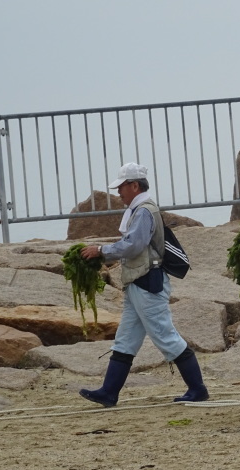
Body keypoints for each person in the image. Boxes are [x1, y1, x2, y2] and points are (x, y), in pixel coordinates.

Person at [77, 162, 209, 407]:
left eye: (122, 187)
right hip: (139, 283)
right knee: (126, 340)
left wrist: (101, 251)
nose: (119, 193)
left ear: (135, 185)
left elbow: (134, 246)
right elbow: (134, 245)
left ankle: (198, 388)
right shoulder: (142, 209)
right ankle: (108, 392)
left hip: (147, 283)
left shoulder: (144, 211)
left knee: (165, 337)